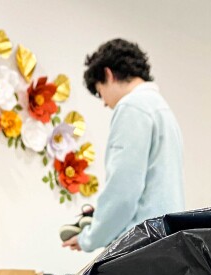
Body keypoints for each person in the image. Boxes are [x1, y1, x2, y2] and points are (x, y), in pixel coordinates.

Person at [63, 39, 185, 252]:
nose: (104, 103)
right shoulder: (162, 110)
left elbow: (122, 193)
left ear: (108, 74)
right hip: (166, 244)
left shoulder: (132, 107)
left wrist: (89, 238)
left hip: (140, 250)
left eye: (101, 92)